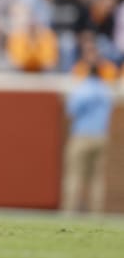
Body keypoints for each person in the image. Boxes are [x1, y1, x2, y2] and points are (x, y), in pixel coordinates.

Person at [62, 35, 114, 214]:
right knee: (96, 179)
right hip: (101, 136)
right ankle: (95, 213)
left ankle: (69, 212)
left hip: (82, 135)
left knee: (75, 175)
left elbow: (71, 111)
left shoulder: (82, 88)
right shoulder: (105, 89)